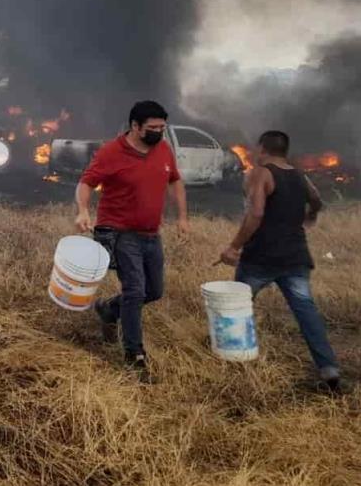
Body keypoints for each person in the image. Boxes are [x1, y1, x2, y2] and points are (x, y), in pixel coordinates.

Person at [75, 100, 189, 381]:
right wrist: (82, 211)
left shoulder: (163, 149)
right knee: (136, 291)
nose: (159, 132)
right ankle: (134, 356)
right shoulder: (111, 152)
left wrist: (183, 217)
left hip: (151, 233)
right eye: (152, 128)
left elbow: (175, 180)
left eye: (162, 127)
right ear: (135, 126)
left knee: (155, 291)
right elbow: (86, 183)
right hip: (120, 232)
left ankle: (108, 309)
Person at [218, 130, 340, 392]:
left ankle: (231, 358)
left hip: (260, 257)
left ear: (262, 149)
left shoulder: (261, 173)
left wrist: (233, 246)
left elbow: (256, 213)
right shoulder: (299, 175)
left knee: (236, 307)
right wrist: (309, 220)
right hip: (295, 256)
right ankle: (329, 368)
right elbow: (317, 200)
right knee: (306, 311)